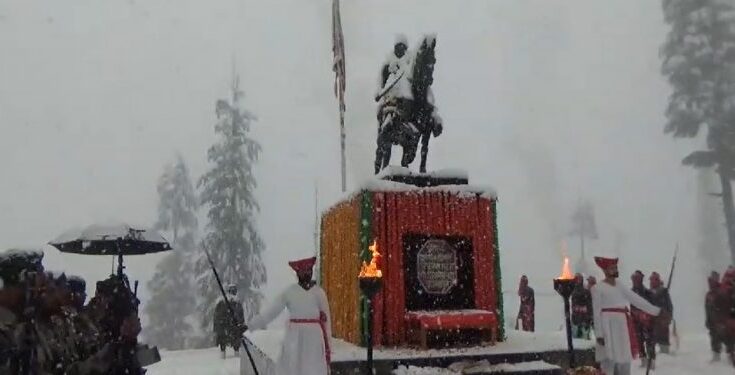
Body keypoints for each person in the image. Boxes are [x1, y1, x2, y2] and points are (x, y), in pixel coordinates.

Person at [245, 256, 332, 375]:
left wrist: (328, 350)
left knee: (313, 369)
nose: (307, 273)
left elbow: (327, 323)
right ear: (298, 273)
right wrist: (250, 326)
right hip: (294, 340)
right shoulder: (290, 292)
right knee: (292, 368)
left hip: (314, 341)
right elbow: (271, 312)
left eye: (309, 270)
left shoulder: (319, 294)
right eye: (304, 271)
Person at [591, 256, 661, 375]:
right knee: (608, 361)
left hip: (622, 325)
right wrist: (599, 334)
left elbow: (636, 300)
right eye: (612, 268)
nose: (615, 270)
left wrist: (654, 310)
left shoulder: (620, 285)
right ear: (605, 270)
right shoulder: (597, 288)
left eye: (615, 267)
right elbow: (596, 313)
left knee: (624, 359)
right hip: (607, 325)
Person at [629, 270, 654, 367]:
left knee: (649, 341)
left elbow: (651, 307)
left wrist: (645, 315)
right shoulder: (630, 292)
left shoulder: (648, 293)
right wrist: (634, 314)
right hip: (636, 321)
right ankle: (643, 360)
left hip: (647, 321)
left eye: (637, 278)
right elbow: (630, 307)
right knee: (639, 341)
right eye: (634, 278)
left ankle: (651, 361)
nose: (635, 280)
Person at [214, 284, 245, 359]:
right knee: (236, 343)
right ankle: (236, 355)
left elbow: (216, 316)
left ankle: (223, 356)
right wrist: (241, 325)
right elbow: (241, 316)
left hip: (223, 327)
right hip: (233, 327)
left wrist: (216, 327)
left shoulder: (221, 301)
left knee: (223, 342)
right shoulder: (237, 302)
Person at [648, 271, 674, 354]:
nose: (652, 282)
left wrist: (668, 317)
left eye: (654, 280)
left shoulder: (664, 292)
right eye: (651, 280)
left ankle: (665, 355)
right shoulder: (648, 292)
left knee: (664, 341)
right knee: (651, 341)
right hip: (652, 320)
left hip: (662, 320)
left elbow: (669, 306)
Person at [706, 271, 724, 362]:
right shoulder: (709, 294)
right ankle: (716, 356)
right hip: (712, 321)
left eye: (715, 278)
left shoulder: (722, 291)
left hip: (722, 321)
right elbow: (707, 309)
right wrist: (707, 320)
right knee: (714, 339)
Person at [571, 273, 593, 339]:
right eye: (576, 279)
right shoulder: (571, 291)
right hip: (575, 320)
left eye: (579, 279)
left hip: (585, 320)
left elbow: (589, 305)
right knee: (576, 339)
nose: (578, 281)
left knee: (585, 338)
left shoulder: (586, 292)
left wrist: (590, 316)